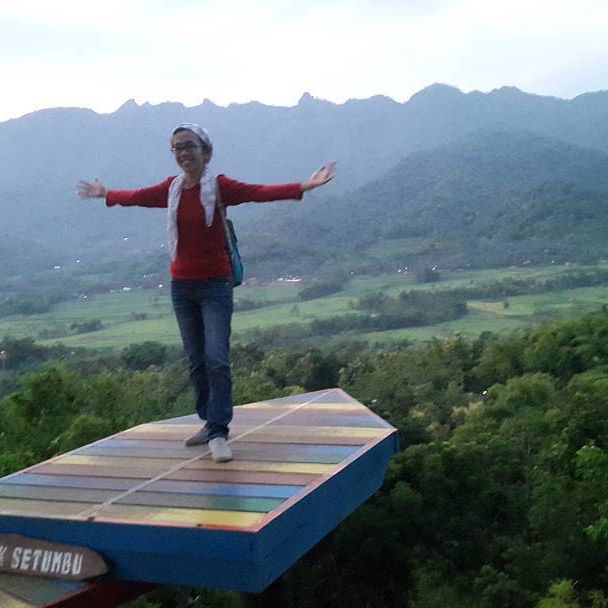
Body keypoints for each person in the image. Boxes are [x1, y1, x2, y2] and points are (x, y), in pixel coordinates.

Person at [77, 123, 335, 463]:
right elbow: (138, 196)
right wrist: (106, 194)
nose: (183, 152)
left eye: (190, 145)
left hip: (215, 285)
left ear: (206, 152)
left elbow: (259, 192)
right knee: (196, 361)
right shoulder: (171, 189)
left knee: (217, 358)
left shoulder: (220, 186)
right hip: (181, 286)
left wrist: (304, 186)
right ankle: (208, 420)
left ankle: (219, 431)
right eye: (177, 147)